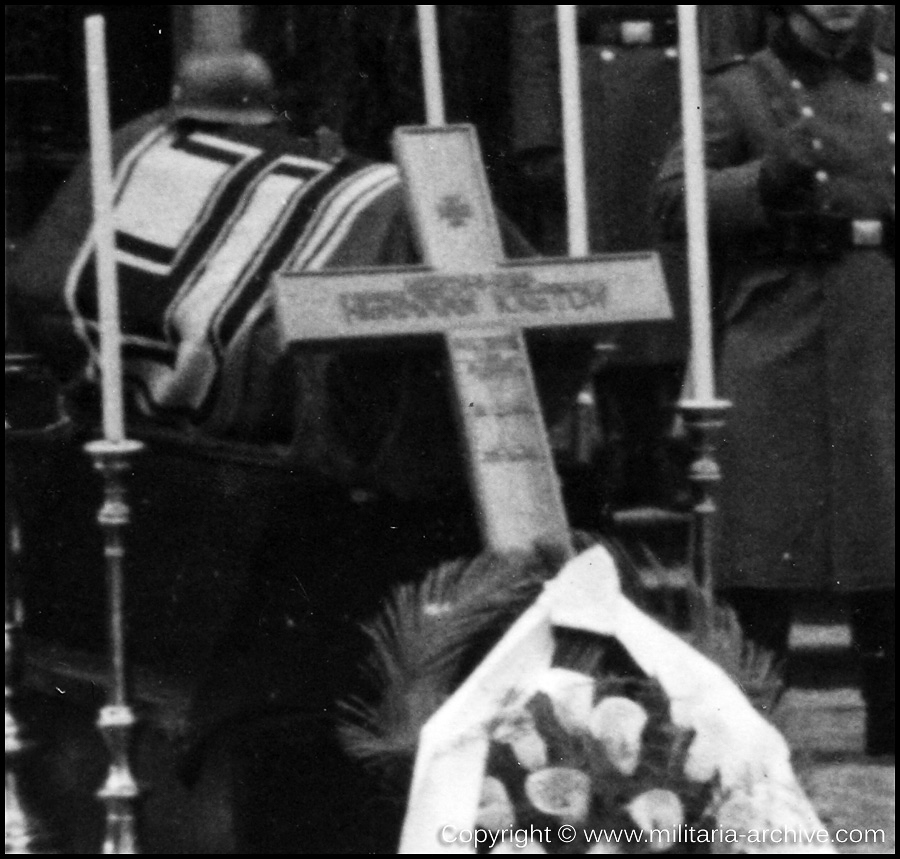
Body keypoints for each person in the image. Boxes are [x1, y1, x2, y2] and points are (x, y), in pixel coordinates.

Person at [652, 5, 894, 755]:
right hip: (776, 318)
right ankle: (753, 726)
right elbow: (670, 200)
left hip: (881, 316)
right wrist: (766, 178)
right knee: (759, 523)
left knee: (886, 518)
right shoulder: (735, 90)